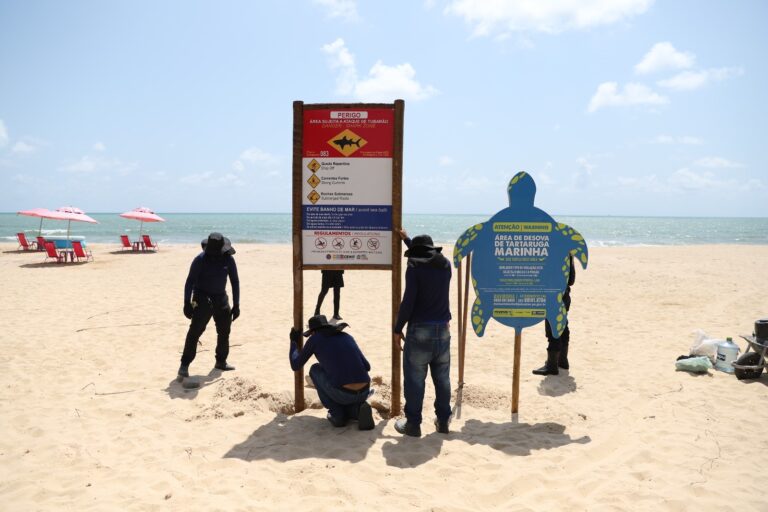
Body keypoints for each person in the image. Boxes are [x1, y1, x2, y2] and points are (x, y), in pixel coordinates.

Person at [393, 229, 452, 437]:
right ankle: (443, 421)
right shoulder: (445, 265)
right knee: (442, 378)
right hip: (443, 329)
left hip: (419, 330)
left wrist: (397, 328)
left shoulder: (414, 267)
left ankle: (413, 424)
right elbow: (427, 260)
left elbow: (408, 301)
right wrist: (407, 240)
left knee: (415, 380)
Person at [289, 315, 374, 430]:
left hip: (343, 394)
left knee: (315, 369)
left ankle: (336, 413)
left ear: (313, 332)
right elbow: (367, 366)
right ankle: (356, 411)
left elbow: (296, 365)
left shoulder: (315, 338)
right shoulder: (347, 336)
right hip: (364, 391)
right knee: (348, 400)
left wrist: (293, 343)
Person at [178, 233, 240, 379]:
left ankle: (221, 361)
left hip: (221, 298)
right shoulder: (200, 259)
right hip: (201, 298)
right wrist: (187, 303)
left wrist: (236, 304)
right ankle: (184, 365)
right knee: (195, 332)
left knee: (224, 331)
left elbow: (235, 281)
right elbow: (189, 282)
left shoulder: (228, 259)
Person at [533, 253, 576, 376]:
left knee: (553, 329)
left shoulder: (552, 253)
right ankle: (562, 361)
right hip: (565, 296)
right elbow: (571, 280)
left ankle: (552, 365)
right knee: (563, 325)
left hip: (553, 296)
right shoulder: (568, 254)